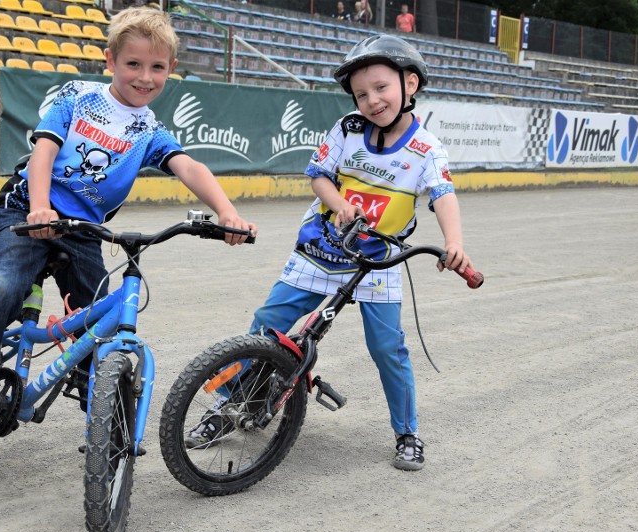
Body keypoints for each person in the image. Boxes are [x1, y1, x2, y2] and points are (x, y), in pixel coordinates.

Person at [0, 7, 258, 434]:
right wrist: (40, 205)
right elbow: (45, 150)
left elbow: (187, 165)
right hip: (28, 210)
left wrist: (226, 211)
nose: (145, 77)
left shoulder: (148, 130)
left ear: (171, 69)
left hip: (83, 232)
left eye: (156, 67)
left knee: (94, 318)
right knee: (3, 289)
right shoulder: (78, 96)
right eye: (133, 64)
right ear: (110, 61)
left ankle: (98, 401)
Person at [187, 35, 473, 471]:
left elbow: (442, 195)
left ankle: (407, 432)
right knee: (266, 326)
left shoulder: (426, 149)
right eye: (362, 94)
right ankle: (228, 406)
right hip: (321, 249)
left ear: (410, 84)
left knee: (387, 347)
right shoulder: (347, 128)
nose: (372, 100)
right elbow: (319, 176)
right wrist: (339, 204)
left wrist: (454, 242)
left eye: (381, 88)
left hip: (378, 260)